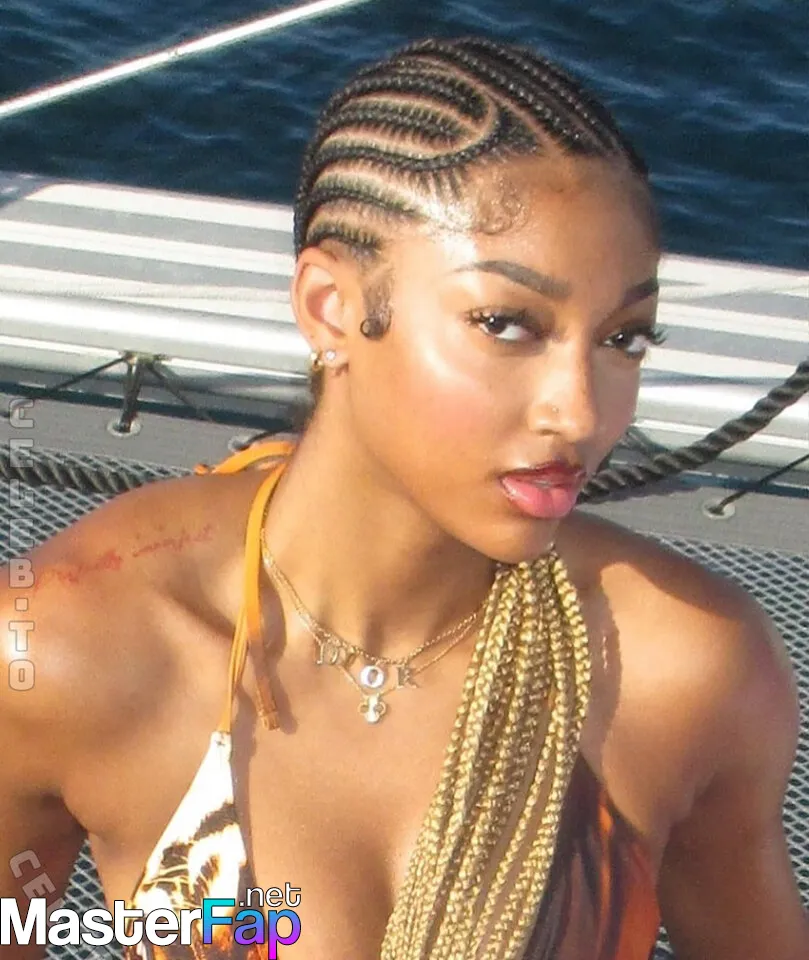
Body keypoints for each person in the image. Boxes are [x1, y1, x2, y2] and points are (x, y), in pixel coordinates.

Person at [1, 37, 807, 960]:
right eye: (506, 324)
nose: (580, 412)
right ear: (330, 307)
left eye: (623, 338)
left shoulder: (684, 672)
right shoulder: (67, 649)